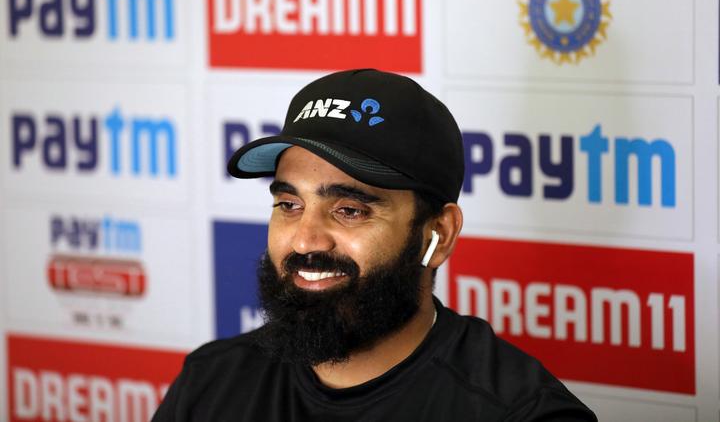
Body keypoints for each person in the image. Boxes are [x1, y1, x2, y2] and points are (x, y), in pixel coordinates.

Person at [152, 69, 597, 421]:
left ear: (438, 234)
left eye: (350, 210)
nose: (305, 238)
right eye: (289, 203)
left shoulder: (519, 413)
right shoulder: (212, 382)